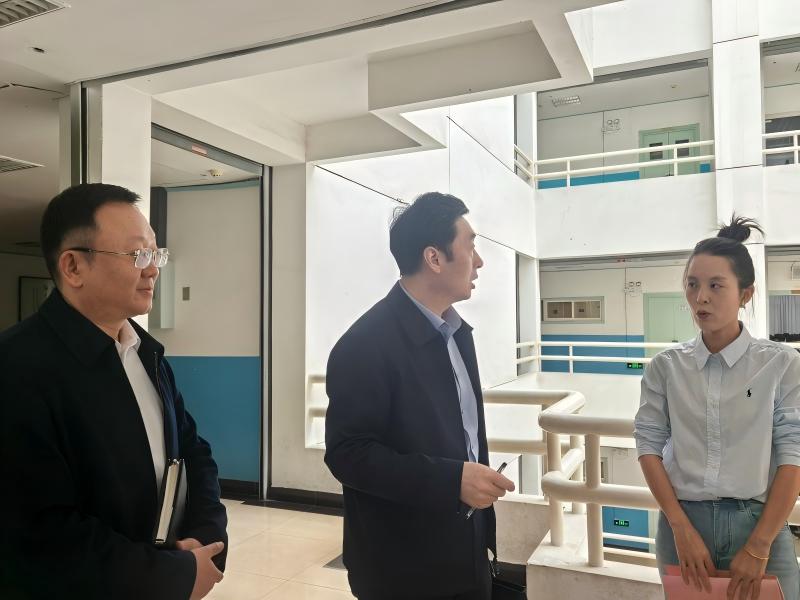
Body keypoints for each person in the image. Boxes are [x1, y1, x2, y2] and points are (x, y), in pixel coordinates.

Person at [0, 183, 228, 600]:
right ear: (73, 266)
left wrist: (205, 535)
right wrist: (169, 576)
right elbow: (40, 534)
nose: (153, 269)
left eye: (156, 253)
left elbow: (193, 453)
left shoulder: (146, 354)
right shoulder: (17, 368)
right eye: (137, 254)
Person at [324, 192, 515, 600]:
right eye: (471, 246)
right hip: (402, 570)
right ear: (434, 258)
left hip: (467, 553)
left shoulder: (458, 335)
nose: (479, 261)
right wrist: (452, 479)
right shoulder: (365, 344)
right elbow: (348, 454)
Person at [634, 216, 800, 600]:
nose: (701, 297)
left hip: (760, 522)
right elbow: (648, 445)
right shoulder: (665, 367)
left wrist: (759, 544)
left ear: (746, 294)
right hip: (682, 524)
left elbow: (793, 455)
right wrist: (679, 528)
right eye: (692, 284)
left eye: (715, 285)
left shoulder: (781, 364)